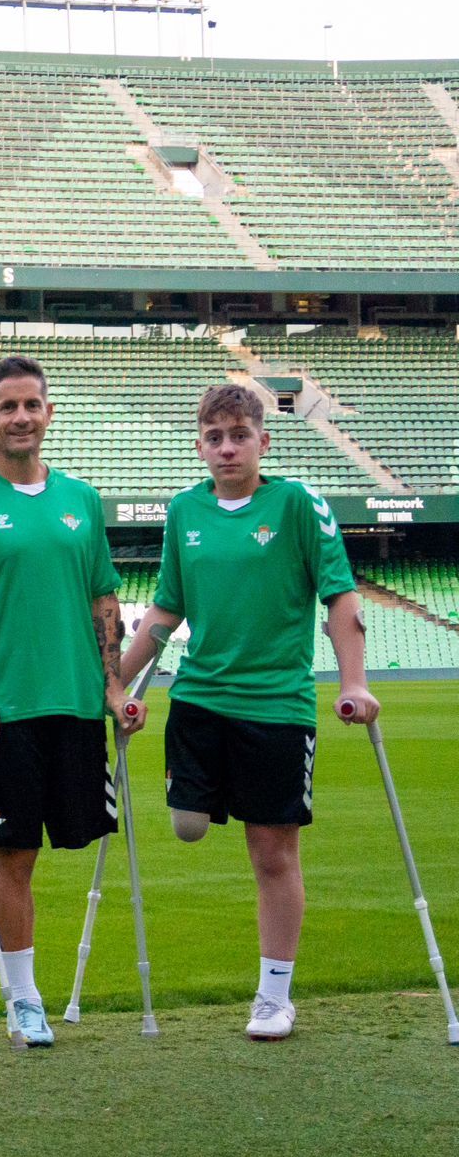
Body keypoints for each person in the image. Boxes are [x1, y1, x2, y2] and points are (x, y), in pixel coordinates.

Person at [119, 383, 375, 1041]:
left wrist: (355, 683)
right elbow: (165, 613)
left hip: (276, 707)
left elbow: (342, 600)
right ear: (200, 444)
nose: (227, 448)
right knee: (187, 826)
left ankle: (273, 996)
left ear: (265, 440)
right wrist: (113, 685)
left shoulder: (297, 506)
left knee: (271, 854)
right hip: (200, 699)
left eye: (239, 435)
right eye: (214, 437)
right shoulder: (184, 511)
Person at [0, 354, 140, 1047]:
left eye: (32, 405)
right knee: (12, 855)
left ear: (50, 415)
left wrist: (114, 685)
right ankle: (24, 998)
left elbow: (102, 599)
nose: (21, 417)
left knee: (67, 846)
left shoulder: (81, 499)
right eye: (7, 406)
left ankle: (32, 992)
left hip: (75, 706)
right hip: (3, 712)